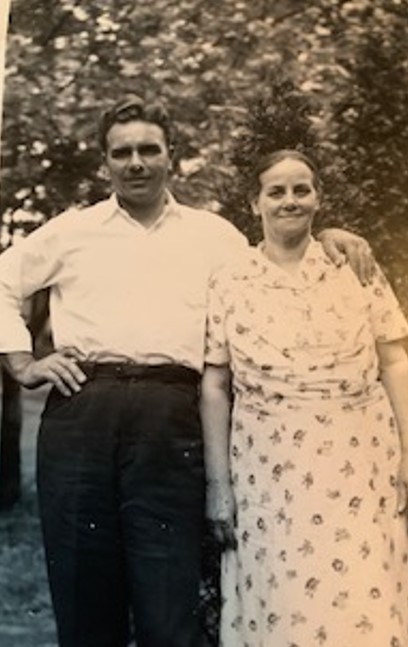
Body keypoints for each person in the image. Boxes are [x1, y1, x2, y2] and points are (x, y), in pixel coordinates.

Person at [0, 95, 374, 647]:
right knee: (84, 597)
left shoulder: (212, 236)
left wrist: (327, 238)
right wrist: (22, 361)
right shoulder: (72, 231)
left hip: (171, 417)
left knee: (169, 606)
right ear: (105, 162)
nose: (136, 163)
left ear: (170, 155)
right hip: (83, 410)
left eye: (149, 150)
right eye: (122, 152)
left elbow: (273, 268)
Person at [201, 148, 408, 646]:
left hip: (362, 459)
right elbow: (214, 385)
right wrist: (219, 486)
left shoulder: (355, 267)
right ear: (254, 203)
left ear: (318, 199)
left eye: (302, 190)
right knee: (288, 598)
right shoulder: (229, 281)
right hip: (269, 469)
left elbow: (394, 362)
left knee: (365, 589)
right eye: (276, 192)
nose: (290, 201)